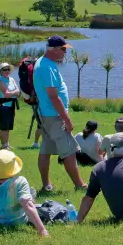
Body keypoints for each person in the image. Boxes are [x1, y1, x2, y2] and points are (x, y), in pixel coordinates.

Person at [33, 35, 86, 192]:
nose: (65, 52)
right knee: (68, 151)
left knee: (46, 149)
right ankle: (80, 185)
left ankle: (46, 185)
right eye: (63, 49)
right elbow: (53, 96)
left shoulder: (44, 63)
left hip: (47, 114)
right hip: (54, 116)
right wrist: (67, 119)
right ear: (54, 50)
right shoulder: (47, 67)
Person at [0, 63, 20, 150]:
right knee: (4, 127)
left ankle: (7, 143)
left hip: (11, 105)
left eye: (8, 69)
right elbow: (6, 94)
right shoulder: (0, 81)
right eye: (4, 69)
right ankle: (3, 145)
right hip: (3, 105)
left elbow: (18, 91)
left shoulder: (12, 79)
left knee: (8, 126)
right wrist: (14, 93)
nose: (7, 71)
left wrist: (12, 93)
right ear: (1, 71)